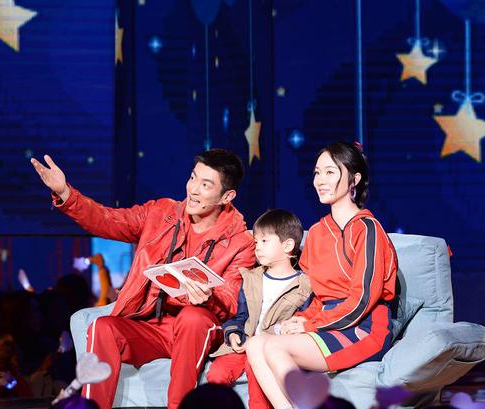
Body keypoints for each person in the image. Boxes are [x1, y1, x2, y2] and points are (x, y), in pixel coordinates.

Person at [30, 149, 256, 409]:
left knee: (192, 318)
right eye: (193, 178)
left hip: (199, 327)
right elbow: (109, 221)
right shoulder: (161, 213)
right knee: (103, 327)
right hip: (153, 324)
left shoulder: (241, 242)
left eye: (206, 185)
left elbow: (231, 301)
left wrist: (209, 297)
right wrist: (66, 194)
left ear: (227, 196)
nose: (193, 190)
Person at [246, 141, 397, 409]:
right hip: (327, 320)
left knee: (275, 347)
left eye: (330, 172)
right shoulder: (316, 232)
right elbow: (318, 296)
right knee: (256, 344)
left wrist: (311, 325)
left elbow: (362, 300)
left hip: (364, 326)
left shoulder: (368, 229)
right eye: (317, 173)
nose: (320, 180)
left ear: (354, 179)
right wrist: (302, 318)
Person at [207, 209, 311, 409]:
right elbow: (240, 316)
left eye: (264, 241)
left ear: (288, 245)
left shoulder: (304, 286)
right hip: (243, 344)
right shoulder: (251, 278)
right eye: (256, 242)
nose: (258, 248)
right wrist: (233, 334)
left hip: (270, 349)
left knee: (257, 374)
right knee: (217, 374)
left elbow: (300, 322)